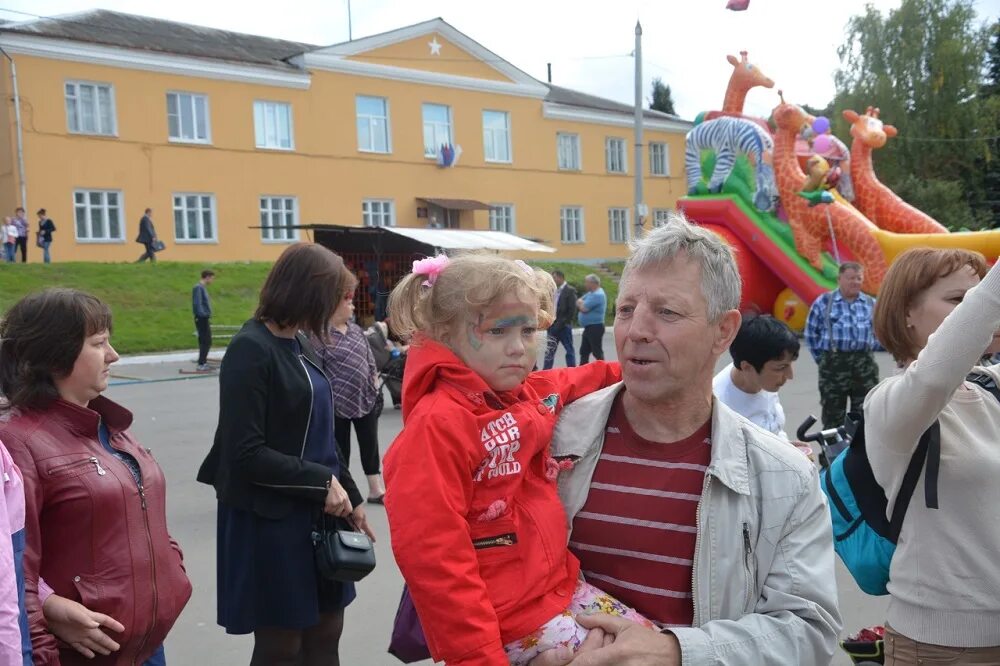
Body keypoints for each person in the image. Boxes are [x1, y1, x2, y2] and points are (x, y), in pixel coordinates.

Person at [536, 213, 841, 666]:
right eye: (626, 309)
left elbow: (806, 630)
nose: (636, 329)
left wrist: (678, 652)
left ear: (724, 330)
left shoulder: (784, 477)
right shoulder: (549, 441)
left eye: (667, 312)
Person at [384, 254, 652, 665]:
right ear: (443, 333)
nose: (518, 348)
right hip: (506, 621)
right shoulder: (437, 427)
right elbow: (435, 561)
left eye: (528, 330)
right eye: (496, 331)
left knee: (655, 645)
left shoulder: (525, 392)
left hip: (556, 591)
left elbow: (576, 379)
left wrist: (638, 372)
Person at [197, 243, 374, 666]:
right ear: (311, 293)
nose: (349, 306)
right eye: (342, 296)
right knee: (283, 647)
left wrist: (353, 496)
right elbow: (245, 453)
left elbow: (321, 434)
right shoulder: (250, 349)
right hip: (272, 521)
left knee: (327, 633)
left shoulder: (300, 342)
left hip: (319, 515)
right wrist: (321, 482)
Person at [0, 288, 192, 665]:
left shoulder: (111, 426)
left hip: (146, 646)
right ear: (56, 355)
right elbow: (15, 571)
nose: (113, 355)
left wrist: (172, 566)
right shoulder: (20, 441)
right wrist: (44, 640)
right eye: (99, 343)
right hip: (84, 653)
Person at [866, 248, 1000, 664]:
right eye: (959, 301)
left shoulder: (990, 389)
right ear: (908, 312)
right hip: (938, 647)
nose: (977, 314)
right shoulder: (891, 403)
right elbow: (935, 372)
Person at [310, 273, 387, 504]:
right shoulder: (320, 335)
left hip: (364, 398)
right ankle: (342, 490)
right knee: (340, 448)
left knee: (370, 444)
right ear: (334, 306)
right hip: (336, 403)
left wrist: (374, 381)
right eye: (348, 302)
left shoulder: (354, 330)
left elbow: (368, 357)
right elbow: (318, 370)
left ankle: (375, 489)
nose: (353, 307)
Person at [804, 261, 881, 428]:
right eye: (850, 278)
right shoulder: (825, 301)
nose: (855, 282)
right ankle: (832, 453)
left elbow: (880, 331)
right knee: (833, 415)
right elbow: (810, 333)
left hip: (864, 365)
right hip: (833, 365)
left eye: (858, 278)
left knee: (864, 414)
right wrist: (823, 359)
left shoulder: (870, 303)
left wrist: (872, 345)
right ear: (839, 279)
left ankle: (860, 452)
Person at [712, 313, 798, 438]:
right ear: (747, 367)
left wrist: (789, 448)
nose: (790, 376)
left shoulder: (762, 381)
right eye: (781, 368)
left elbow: (774, 430)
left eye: (789, 364)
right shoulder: (719, 408)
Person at [543, 270, 577, 369]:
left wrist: (561, 324)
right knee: (549, 351)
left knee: (569, 350)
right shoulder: (554, 290)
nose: (553, 280)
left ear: (561, 278)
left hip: (564, 327)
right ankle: (546, 372)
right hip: (552, 326)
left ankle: (572, 371)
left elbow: (571, 311)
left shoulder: (570, 290)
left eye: (554, 278)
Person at [576, 274, 608, 364]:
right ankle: (582, 372)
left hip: (595, 327)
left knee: (597, 352)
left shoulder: (598, 295)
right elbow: (578, 301)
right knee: (584, 351)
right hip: (589, 327)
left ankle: (604, 371)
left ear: (593, 283)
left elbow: (584, 308)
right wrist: (581, 303)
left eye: (587, 282)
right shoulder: (591, 293)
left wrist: (581, 303)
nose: (585, 284)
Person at [192, 270, 215, 371]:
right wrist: (203, 315)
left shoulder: (202, 288)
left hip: (204, 317)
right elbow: (197, 304)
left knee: (207, 340)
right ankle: (201, 364)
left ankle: (203, 362)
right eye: (212, 278)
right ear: (207, 277)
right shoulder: (198, 288)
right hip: (201, 318)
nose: (212, 281)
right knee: (205, 341)